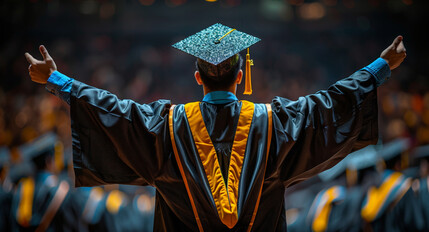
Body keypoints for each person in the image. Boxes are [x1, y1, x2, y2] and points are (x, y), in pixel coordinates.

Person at [25, 23, 406, 231]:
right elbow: (330, 104)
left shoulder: (165, 127)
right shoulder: (278, 125)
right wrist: (380, 67)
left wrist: (57, 81)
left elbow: (112, 110)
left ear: (197, 77)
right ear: (241, 77)